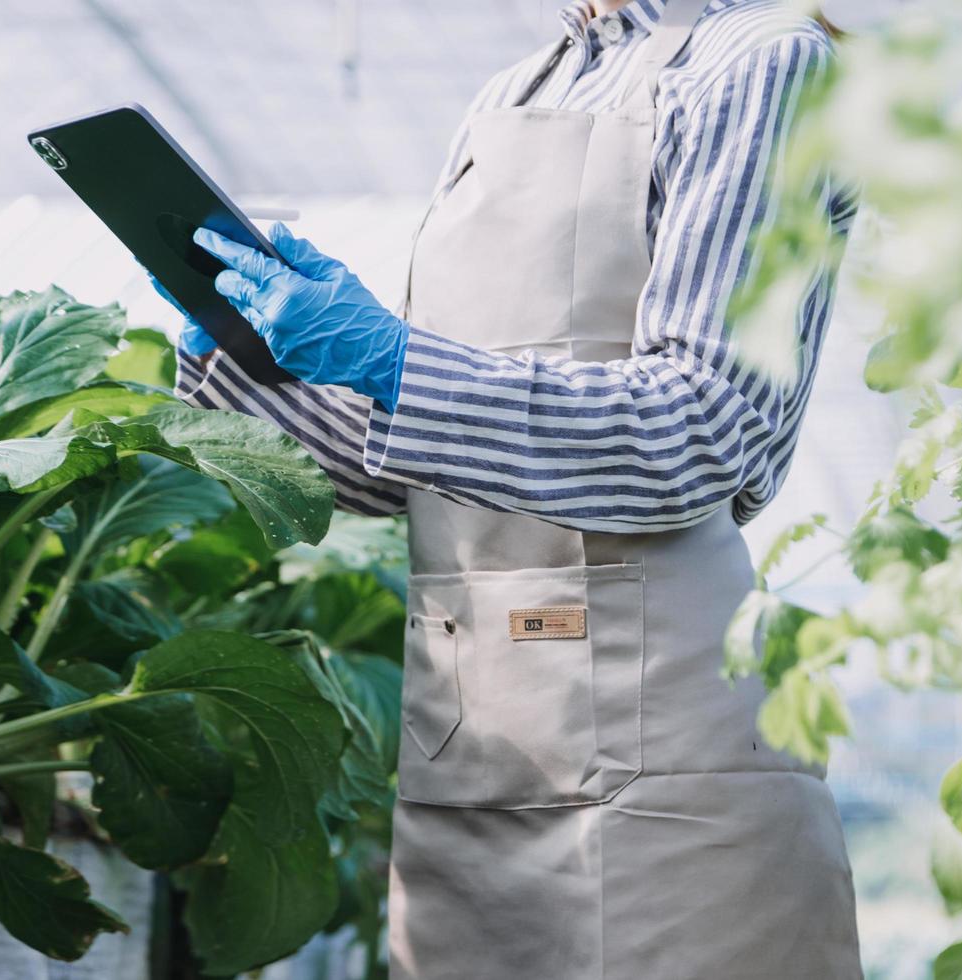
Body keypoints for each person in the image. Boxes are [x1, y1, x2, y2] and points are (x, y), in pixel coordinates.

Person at [166, 0, 860, 975]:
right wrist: (254, 362)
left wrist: (395, 361)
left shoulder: (759, 61)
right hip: (475, 753)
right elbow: (413, 456)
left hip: (666, 769)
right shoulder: (517, 90)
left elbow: (703, 428)